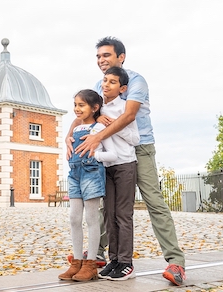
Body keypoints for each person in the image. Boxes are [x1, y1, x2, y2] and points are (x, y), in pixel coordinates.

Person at [67, 36, 187, 286]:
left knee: (153, 201)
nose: (101, 61)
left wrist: (97, 135)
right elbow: (86, 114)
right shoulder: (99, 86)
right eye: (99, 56)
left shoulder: (135, 80)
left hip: (139, 148)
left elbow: (129, 114)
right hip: (108, 151)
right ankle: (99, 254)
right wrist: (69, 136)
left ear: (121, 57)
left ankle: (176, 261)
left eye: (107, 56)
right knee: (105, 203)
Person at [58, 89, 119, 282]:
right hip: (74, 175)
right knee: (74, 218)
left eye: (81, 105)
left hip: (92, 174)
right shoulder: (75, 129)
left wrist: (95, 155)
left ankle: (90, 264)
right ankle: (76, 262)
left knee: (92, 218)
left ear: (95, 108)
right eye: (75, 105)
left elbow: (113, 154)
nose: (77, 109)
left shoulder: (100, 129)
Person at [95, 66, 140, 281]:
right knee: (108, 214)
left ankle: (126, 262)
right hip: (106, 167)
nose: (106, 84)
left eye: (112, 82)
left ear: (122, 88)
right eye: (105, 80)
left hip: (124, 165)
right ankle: (113, 260)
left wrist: (113, 125)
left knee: (123, 214)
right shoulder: (99, 110)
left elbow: (135, 140)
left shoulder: (125, 108)